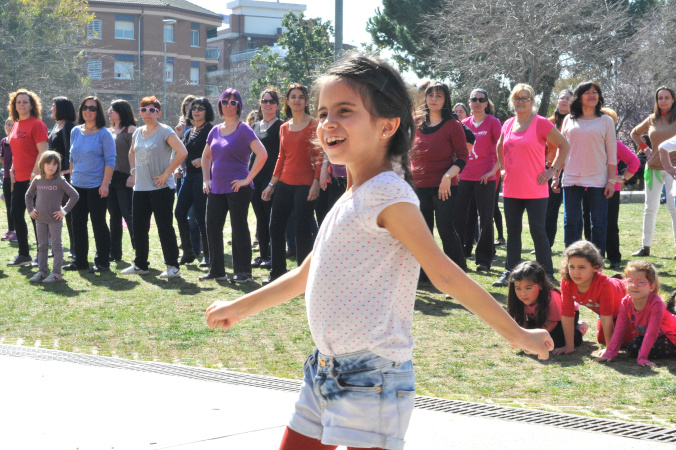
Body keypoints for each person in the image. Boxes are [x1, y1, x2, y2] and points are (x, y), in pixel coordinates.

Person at [205, 54, 552, 450]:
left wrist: (517, 333)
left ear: (387, 125)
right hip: (323, 369)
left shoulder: (389, 195)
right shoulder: (352, 196)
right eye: (323, 112)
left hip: (372, 375)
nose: (328, 122)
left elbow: (445, 274)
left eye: (345, 110)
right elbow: (304, 276)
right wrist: (240, 307)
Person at [492, 84, 570, 287]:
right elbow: (500, 145)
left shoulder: (541, 123)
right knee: (513, 232)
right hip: (511, 188)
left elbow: (565, 145)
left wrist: (552, 170)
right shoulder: (508, 123)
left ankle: (547, 275)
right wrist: (502, 168)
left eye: (524, 98)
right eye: (516, 98)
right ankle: (510, 272)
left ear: (532, 101)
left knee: (538, 231)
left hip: (535, 188)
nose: (520, 102)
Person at [201, 89, 267, 282]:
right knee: (212, 227)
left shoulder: (244, 129)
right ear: (220, 105)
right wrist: (206, 179)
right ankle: (217, 271)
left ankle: (243, 271)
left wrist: (248, 179)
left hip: (238, 187)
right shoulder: (214, 130)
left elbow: (262, 154)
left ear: (238, 105)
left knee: (239, 229)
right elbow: (206, 156)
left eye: (232, 102)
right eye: (224, 101)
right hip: (216, 188)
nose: (228, 105)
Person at [261, 84, 321, 284]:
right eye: (293, 97)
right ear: (287, 101)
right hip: (285, 184)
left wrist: (316, 183)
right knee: (275, 227)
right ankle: (277, 273)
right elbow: (282, 156)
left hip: (306, 185)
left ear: (306, 101)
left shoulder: (314, 124)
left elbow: (319, 156)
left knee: (302, 230)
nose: (297, 100)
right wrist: (271, 184)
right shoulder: (284, 127)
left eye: (301, 97)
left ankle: (304, 278)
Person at [122, 96, 187, 278]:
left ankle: (172, 266)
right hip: (140, 189)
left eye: (152, 110)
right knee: (139, 228)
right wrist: (133, 170)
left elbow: (182, 152)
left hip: (161, 189)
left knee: (164, 227)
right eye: (143, 110)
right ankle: (140, 264)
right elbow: (131, 152)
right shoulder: (138, 132)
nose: (147, 113)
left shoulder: (165, 131)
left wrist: (167, 173)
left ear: (158, 112)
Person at [411, 82, 469, 273]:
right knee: (423, 233)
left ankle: (458, 274)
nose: (434, 99)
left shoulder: (453, 125)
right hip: (419, 187)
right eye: (430, 95)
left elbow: (462, 157)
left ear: (445, 100)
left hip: (445, 188)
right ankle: (426, 274)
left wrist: (447, 176)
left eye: (439, 96)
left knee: (446, 231)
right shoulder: (416, 122)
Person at [560, 81, 617, 256]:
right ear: (579, 97)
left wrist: (611, 180)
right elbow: (562, 149)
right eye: (587, 92)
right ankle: (572, 259)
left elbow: (611, 153)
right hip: (571, 177)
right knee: (571, 221)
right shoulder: (569, 119)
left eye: (595, 92)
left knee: (598, 222)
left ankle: (596, 262)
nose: (592, 95)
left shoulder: (606, 120)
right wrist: (556, 175)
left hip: (598, 179)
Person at [553, 241, 637, 355]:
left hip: (633, 309)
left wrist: (609, 349)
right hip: (607, 314)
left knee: (627, 343)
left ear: (595, 267)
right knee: (601, 339)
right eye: (571, 267)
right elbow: (567, 313)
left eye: (582, 267)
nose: (575, 272)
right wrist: (569, 346)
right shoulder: (567, 281)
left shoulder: (604, 285)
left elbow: (607, 317)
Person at [63, 96, 115, 273]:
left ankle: (102, 262)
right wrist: (70, 182)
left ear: (98, 112)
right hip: (77, 185)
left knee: (98, 223)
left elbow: (110, 161)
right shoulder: (75, 131)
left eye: (92, 108)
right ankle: (80, 261)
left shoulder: (104, 134)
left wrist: (105, 184)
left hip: (96, 186)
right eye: (85, 107)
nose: (88, 111)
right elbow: (72, 158)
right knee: (77, 223)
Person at [454, 88, 501, 271]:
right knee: (460, 217)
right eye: (474, 99)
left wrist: (493, 172)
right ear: (469, 102)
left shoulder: (493, 122)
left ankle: (484, 260)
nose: (477, 102)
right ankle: (462, 253)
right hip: (464, 176)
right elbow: (457, 150)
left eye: (481, 99)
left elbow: (502, 150)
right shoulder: (463, 123)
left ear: (486, 103)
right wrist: (455, 171)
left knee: (486, 219)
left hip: (486, 178)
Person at [595, 261, 676, 366]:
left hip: (670, 336)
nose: (634, 285)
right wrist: (610, 353)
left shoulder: (656, 304)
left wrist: (642, 358)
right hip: (651, 336)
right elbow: (619, 329)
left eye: (641, 282)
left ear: (651, 287)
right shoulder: (626, 301)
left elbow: (652, 332)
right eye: (630, 281)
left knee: (645, 350)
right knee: (632, 348)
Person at [630, 86, 676, 257]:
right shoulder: (651, 119)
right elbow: (634, 133)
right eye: (660, 98)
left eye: (666, 97)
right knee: (650, 208)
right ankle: (645, 247)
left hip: (674, 172)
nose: (663, 101)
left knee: (674, 209)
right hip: (653, 169)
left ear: (673, 100)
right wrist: (645, 149)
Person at [6, 89, 49, 267]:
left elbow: (44, 152)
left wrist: (34, 174)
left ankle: (42, 255)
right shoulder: (15, 124)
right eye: (18, 102)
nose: (21, 105)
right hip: (19, 178)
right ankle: (24, 255)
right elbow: (17, 151)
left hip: (35, 179)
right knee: (16, 214)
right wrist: (12, 168)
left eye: (25, 102)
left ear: (32, 105)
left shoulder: (37, 124)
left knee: (36, 217)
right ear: (14, 106)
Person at [25, 151, 79, 283]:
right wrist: (31, 210)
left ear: (58, 166)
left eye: (55, 164)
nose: (51, 167)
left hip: (55, 220)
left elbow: (74, 195)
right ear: (42, 164)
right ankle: (42, 271)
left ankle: (56, 274)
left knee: (56, 246)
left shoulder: (60, 181)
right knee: (42, 245)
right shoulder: (37, 180)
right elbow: (28, 195)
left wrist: (64, 211)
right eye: (48, 163)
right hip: (40, 220)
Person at [507, 260, 583, 349]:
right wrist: (522, 338)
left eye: (528, 288)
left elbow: (552, 322)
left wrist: (534, 339)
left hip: (563, 318)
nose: (523, 293)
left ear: (541, 285)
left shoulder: (552, 297)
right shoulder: (518, 298)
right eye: (518, 288)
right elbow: (521, 321)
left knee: (555, 342)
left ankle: (580, 328)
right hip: (540, 318)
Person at [599, 108, 640, 269]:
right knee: (590, 224)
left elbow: (634, 162)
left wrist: (623, 178)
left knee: (610, 224)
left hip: (611, 190)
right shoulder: (587, 143)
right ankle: (595, 257)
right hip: (588, 189)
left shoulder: (615, 144)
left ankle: (614, 257)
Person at [175, 97, 213, 266]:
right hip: (188, 177)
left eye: (201, 108)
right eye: (194, 108)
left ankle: (208, 255)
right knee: (179, 212)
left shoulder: (211, 130)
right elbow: (183, 154)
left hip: (203, 178)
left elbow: (220, 153)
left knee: (201, 216)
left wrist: (203, 160)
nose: (196, 111)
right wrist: (179, 168)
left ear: (207, 111)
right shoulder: (189, 131)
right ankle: (188, 251)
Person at [250, 88, 282, 269]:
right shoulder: (254, 126)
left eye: (271, 101)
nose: (268, 104)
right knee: (260, 219)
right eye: (264, 101)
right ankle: (263, 255)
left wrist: (273, 182)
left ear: (277, 105)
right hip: (255, 179)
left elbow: (282, 156)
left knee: (272, 219)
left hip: (272, 180)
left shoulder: (282, 127)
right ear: (260, 104)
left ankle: (272, 256)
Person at [107, 99, 137, 261]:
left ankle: (139, 251)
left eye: (113, 109)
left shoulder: (131, 130)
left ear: (122, 111)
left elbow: (138, 154)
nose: (109, 111)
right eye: (110, 109)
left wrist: (133, 175)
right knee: (114, 216)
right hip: (110, 178)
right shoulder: (109, 131)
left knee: (129, 214)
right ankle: (115, 253)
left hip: (126, 177)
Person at [48, 97, 76, 254]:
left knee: (69, 215)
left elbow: (73, 152)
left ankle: (74, 249)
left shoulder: (70, 127)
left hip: (66, 178)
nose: (51, 108)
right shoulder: (56, 126)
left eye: (54, 106)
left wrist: (66, 171)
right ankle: (54, 246)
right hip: (54, 177)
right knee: (53, 213)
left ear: (62, 108)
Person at [545, 89, 573, 247]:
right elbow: (543, 148)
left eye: (568, 98)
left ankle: (572, 246)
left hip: (572, 170)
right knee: (549, 211)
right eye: (562, 97)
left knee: (572, 214)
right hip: (551, 169)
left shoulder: (577, 122)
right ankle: (546, 244)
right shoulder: (548, 122)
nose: (564, 100)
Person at [1, 118, 16, 242]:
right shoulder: (3, 141)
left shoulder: (18, 140)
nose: (10, 127)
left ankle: (45, 233)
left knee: (17, 206)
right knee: (9, 205)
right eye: (8, 125)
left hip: (17, 177)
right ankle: (11, 231)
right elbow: (3, 157)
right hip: (6, 177)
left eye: (12, 124)